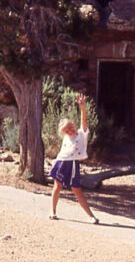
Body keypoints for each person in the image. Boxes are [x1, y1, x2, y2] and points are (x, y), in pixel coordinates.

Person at [48, 92, 99, 224]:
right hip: (61, 162)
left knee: (77, 190)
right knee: (57, 186)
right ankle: (52, 211)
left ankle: (90, 216)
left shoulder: (82, 134)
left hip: (72, 164)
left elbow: (84, 122)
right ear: (64, 133)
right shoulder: (66, 137)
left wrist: (82, 107)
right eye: (67, 130)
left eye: (71, 127)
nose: (70, 130)